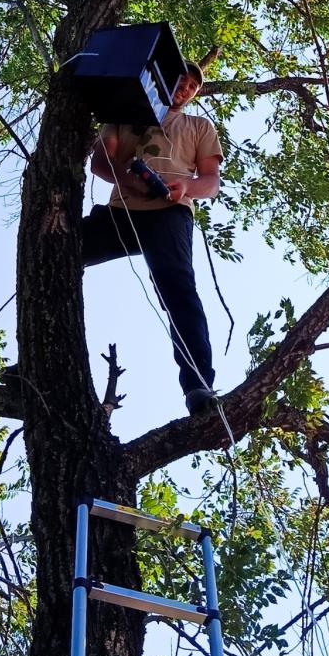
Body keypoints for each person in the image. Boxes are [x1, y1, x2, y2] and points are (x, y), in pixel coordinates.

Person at [85, 61, 222, 415]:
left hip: (170, 213)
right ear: (166, 79)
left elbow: (211, 181)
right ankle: (36, 359)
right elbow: (101, 161)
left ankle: (198, 387)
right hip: (122, 212)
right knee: (61, 251)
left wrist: (186, 188)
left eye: (193, 86)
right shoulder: (129, 112)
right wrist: (127, 179)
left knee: (177, 287)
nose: (186, 88)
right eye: (182, 80)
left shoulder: (198, 126)